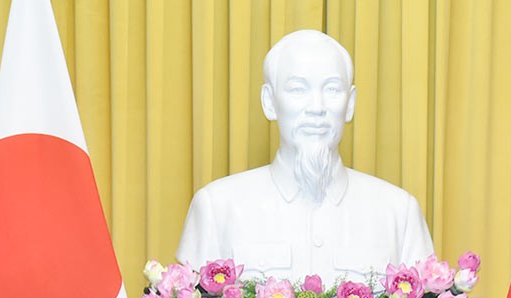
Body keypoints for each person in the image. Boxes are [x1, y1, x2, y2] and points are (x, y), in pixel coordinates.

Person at [176, 29, 434, 282]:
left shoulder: (398, 213)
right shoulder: (217, 207)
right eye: (298, 89)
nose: (316, 108)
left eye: (332, 89)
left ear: (350, 104)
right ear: (269, 101)